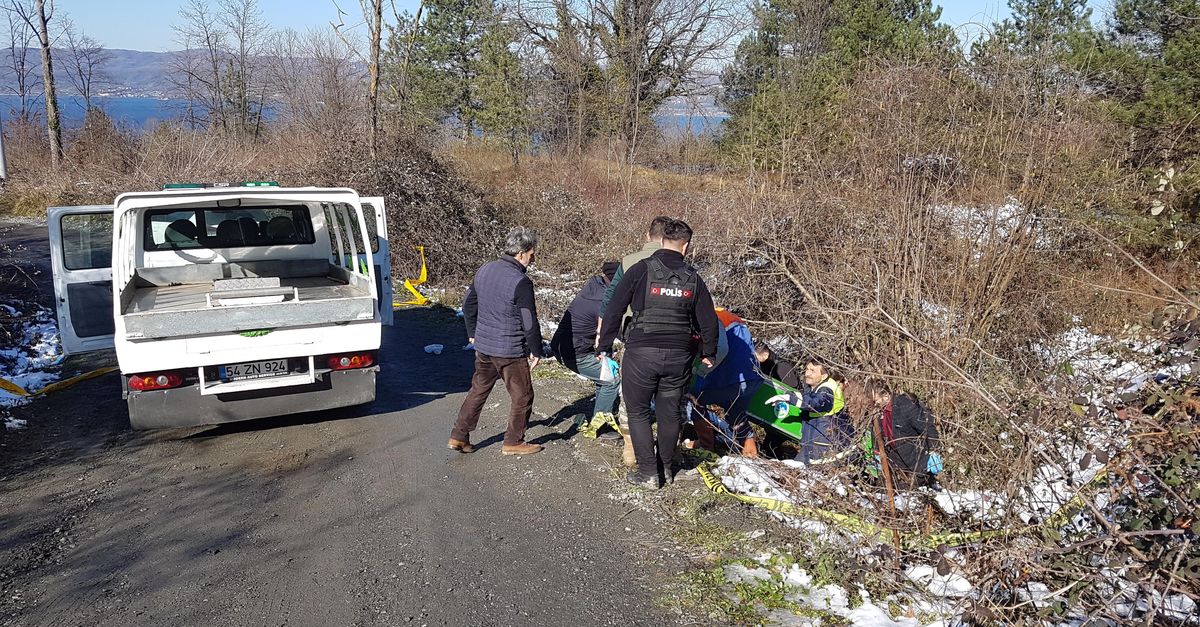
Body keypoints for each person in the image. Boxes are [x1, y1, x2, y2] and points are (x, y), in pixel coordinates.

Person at [599, 219, 720, 488]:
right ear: (686, 247)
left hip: (642, 353)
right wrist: (708, 352)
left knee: (638, 411)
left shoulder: (641, 269)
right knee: (670, 413)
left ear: (661, 241)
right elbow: (708, 320)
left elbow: (614, 308)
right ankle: (666, 468)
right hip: (679, 357)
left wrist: (604, 345)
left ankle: (648, 472)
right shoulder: (693, 278)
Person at [449, 227, 545, 456]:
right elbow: (529, 321)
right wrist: (536, 350)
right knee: (523, 395)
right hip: (509, 349)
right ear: (521, 253)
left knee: (478, 390)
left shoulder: (484, 269)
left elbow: (468, 304)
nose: (532, 259)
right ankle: (513, 442)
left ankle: (459, 435)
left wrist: (472, 331)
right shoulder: (521, 281)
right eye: (531, 254)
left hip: (484, 346)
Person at [598, 215, 671, 466]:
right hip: (674, 343)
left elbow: (610, 301)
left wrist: (605, 338)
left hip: (636, 338)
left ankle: (631, 450)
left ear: (648, 235)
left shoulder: (629, 261)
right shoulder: (680, 265)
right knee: (671, 399)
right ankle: (671, 454)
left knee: (632, 396)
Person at [550, 261, 622, 432]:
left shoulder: (593, 288)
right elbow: (617, 330)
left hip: (564, 345)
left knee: (604, 375)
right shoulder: (602, 302)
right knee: (611, 380)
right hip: (574, 352)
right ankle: (600, 427)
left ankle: (599, 412)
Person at [687, 308, 763, 457]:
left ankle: (707, 447)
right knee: (734, 410)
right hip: (752, 377)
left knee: (693, 399)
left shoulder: (709, 318)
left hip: (733, 378)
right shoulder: (730, 317)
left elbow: (721, 349)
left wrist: (702, 371)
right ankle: (750, 453)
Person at [765, 358, 853, 465]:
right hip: (816, 442)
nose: (807, 373)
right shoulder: (814, 386)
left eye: (813, 371)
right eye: (807, 369)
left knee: (801, 468)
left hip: (829, 447)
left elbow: (816, 402)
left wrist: (790, 398)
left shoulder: (826, 390)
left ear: (823, 376)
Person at [864, 379, 940, 488]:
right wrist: (877, 454)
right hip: (895, 460)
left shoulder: (905, 405)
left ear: (885, 395)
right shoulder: (878, 412)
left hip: (916, 460)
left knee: (911, 491)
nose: (875, 404)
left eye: (876, 400)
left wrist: (933, 451)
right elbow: (877, 434)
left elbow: (927, 428)